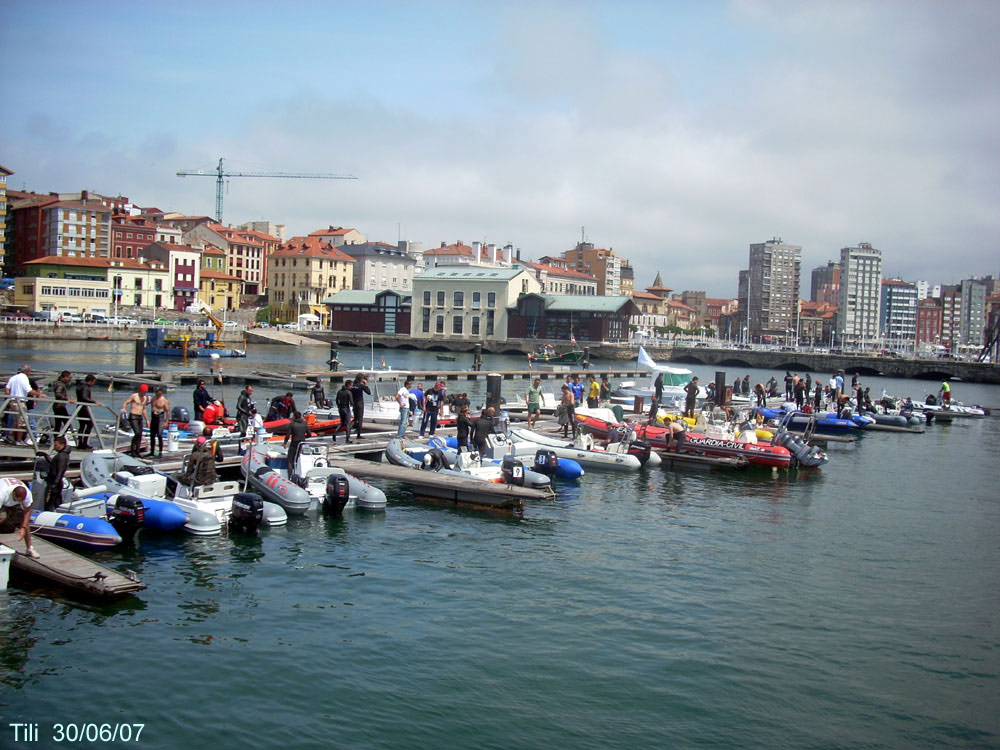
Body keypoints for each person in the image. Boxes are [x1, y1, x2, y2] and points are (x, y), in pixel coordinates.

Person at [0, 477, 39, 558]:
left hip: (12, 502)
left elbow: (27, 511)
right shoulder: (2, 493)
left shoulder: (27, 494)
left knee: (25, 523)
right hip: (3, 501)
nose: (20, 502)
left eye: (21, 501)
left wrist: (23, 527)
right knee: (2, 518)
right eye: (18, 500)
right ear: (13, 494)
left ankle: (29, 548)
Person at [4, 365, 32, 444]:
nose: (30, 373)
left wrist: (9, 398)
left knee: (17, 421)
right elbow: (28, 390)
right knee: (22, 422)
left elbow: (7, 388)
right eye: (29, 372)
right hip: (20, 402)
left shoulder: (13, 377)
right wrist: (39, 394)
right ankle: (19, 440)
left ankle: (10, 435)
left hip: (13, 401)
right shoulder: (24, 378)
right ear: (27, 371)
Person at [121, 383, 149, 457]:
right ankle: (133, 450)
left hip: (140, 417)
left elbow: (144, 409)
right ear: (140, 391)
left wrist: (147, 420)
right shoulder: (134, 396)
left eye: (145, 392)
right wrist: (124, 408)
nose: (144, 393)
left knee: (140, 435)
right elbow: (126, 402)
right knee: (137, 433)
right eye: (143, 392)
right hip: (133, 416)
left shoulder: (145, 398)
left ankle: (137, 451)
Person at [75, 374, 102, 450]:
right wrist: (94, 402)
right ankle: (84, 443)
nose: (93, 384)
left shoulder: (79, 386)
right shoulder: (86, 388)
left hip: (79, 408)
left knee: (82, 426)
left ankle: (80, 443)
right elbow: (84, 397)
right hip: (84, 408)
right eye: (93, 382)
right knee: (90, 424)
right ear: (90, 381)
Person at [45, 436, 72, 511]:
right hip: (56, 482)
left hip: (55, 482)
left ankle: (48, 515)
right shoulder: (62, 455)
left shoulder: (62, 456)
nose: (54, 447)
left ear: (62, 445)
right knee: (57, 501)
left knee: (50, 502)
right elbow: (54, 464)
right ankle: (60, 512)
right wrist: (46, 456)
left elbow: (60, 470)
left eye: (56, 445)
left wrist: (55, 483)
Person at [51, 370, 75, 440]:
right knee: (66, 424)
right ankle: (59, 439)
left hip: (59, 406)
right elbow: (58, 394)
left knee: (58, 424)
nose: (70, 379)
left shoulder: (59, 383)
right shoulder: (60, 384)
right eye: (69, 378)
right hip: (59, 406)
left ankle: (57, 439)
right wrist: (67, 399)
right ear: (65, 377)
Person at [147, 388, 169, 458]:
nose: (157, 393)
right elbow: (146, 403)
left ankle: (160, 452)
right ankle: (152, 451)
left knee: (159, 434)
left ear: (161, 392)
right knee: (152, 435)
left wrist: (166, 422)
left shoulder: (164, 400)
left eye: (158, 392)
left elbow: (168, 411)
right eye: (156, 392)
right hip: (153, 417)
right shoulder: (153, 398)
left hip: (160, 417)